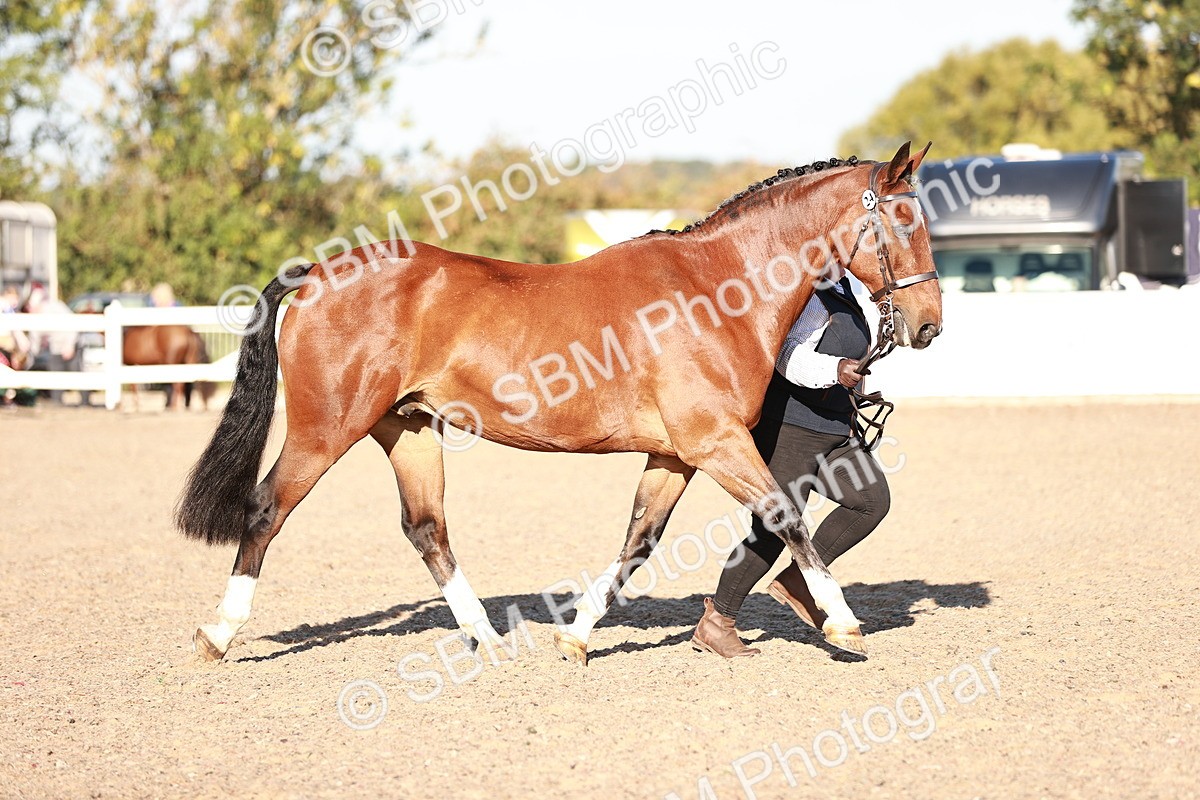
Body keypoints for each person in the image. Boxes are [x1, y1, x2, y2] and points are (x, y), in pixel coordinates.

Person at [690, 266, 892, 657]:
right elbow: (784, 352)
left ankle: (799, 580)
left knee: (871, 501)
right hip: (792, 429)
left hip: (837, 429)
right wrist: (834, 370)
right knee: (773, 527)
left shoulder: (844, 287)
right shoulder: (802, 290)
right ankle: (717, 623)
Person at [23, 284, 79, 405]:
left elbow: (73, 324)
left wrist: (70, 345)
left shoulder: (56, 307)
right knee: (55, 372)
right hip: (55, 347)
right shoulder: (36, 317)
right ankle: (57, 402)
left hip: (70, 343)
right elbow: (35, 339)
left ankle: (85, 403)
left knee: (77, 372)